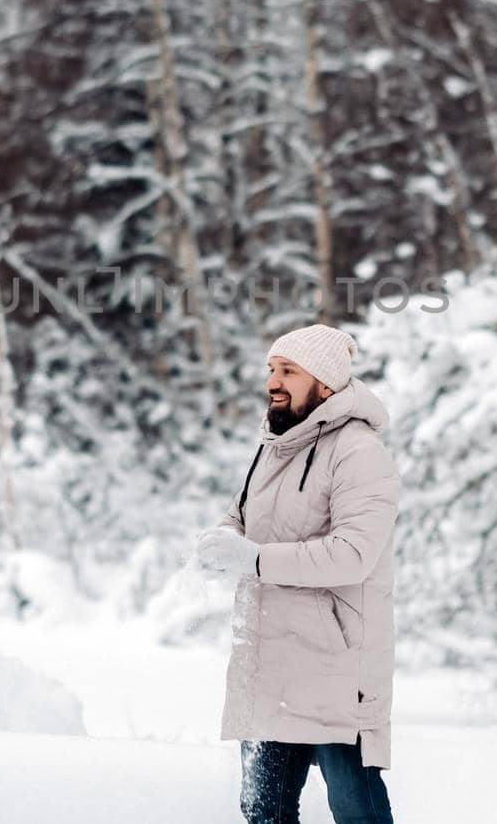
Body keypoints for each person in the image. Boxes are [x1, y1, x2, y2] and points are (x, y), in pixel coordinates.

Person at [196, 323, 401, 824]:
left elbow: (353, 554)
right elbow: (240, 517)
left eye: (289, 371)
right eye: (271, 369)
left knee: (357, 810)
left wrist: (256, 561)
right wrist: (219, 541)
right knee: (263, 811)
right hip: (272, 665)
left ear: (326, 385)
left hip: (335, 668)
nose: (273, 381)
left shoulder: (360, 454)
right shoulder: (273, 447)